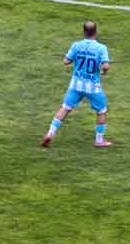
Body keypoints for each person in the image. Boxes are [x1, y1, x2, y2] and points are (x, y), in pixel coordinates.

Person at [41, 20, 113, 149]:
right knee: (102, 111)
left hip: (75, 85)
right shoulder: (101, 48)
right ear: (96, 32)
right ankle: (99, 140)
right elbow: (106, 65)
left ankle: (50, 134)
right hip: (92, 86)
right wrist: (104, 71)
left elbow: (66, 61)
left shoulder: (76, 45)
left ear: (83, 32)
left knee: (65, 108)